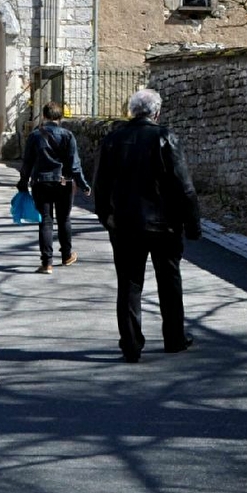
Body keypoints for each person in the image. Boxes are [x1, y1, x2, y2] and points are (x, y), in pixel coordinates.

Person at [92, 89, 201, 363]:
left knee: (129, 285)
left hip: (126, 225)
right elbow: (184, 187)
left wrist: (107, 217)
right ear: (157, 112)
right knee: (169, 282)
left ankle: (131, 344)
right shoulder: (164, 137)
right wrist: (192, 224)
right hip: (165, 226)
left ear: (132, 111)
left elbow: (101, 185)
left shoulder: (113, 139)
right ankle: (174, 338)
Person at [16, 102, 92, 274]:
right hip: (63, 183)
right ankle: (66, 256)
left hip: (41, 183)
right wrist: (83, 184)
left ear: (44, 116)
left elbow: (27, 162)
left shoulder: (35, 136)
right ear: (60, 117)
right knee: (64, 219)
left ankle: (47, 263)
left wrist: (22, 183)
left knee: (46, 221)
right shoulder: (68, 136)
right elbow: (74, 165)